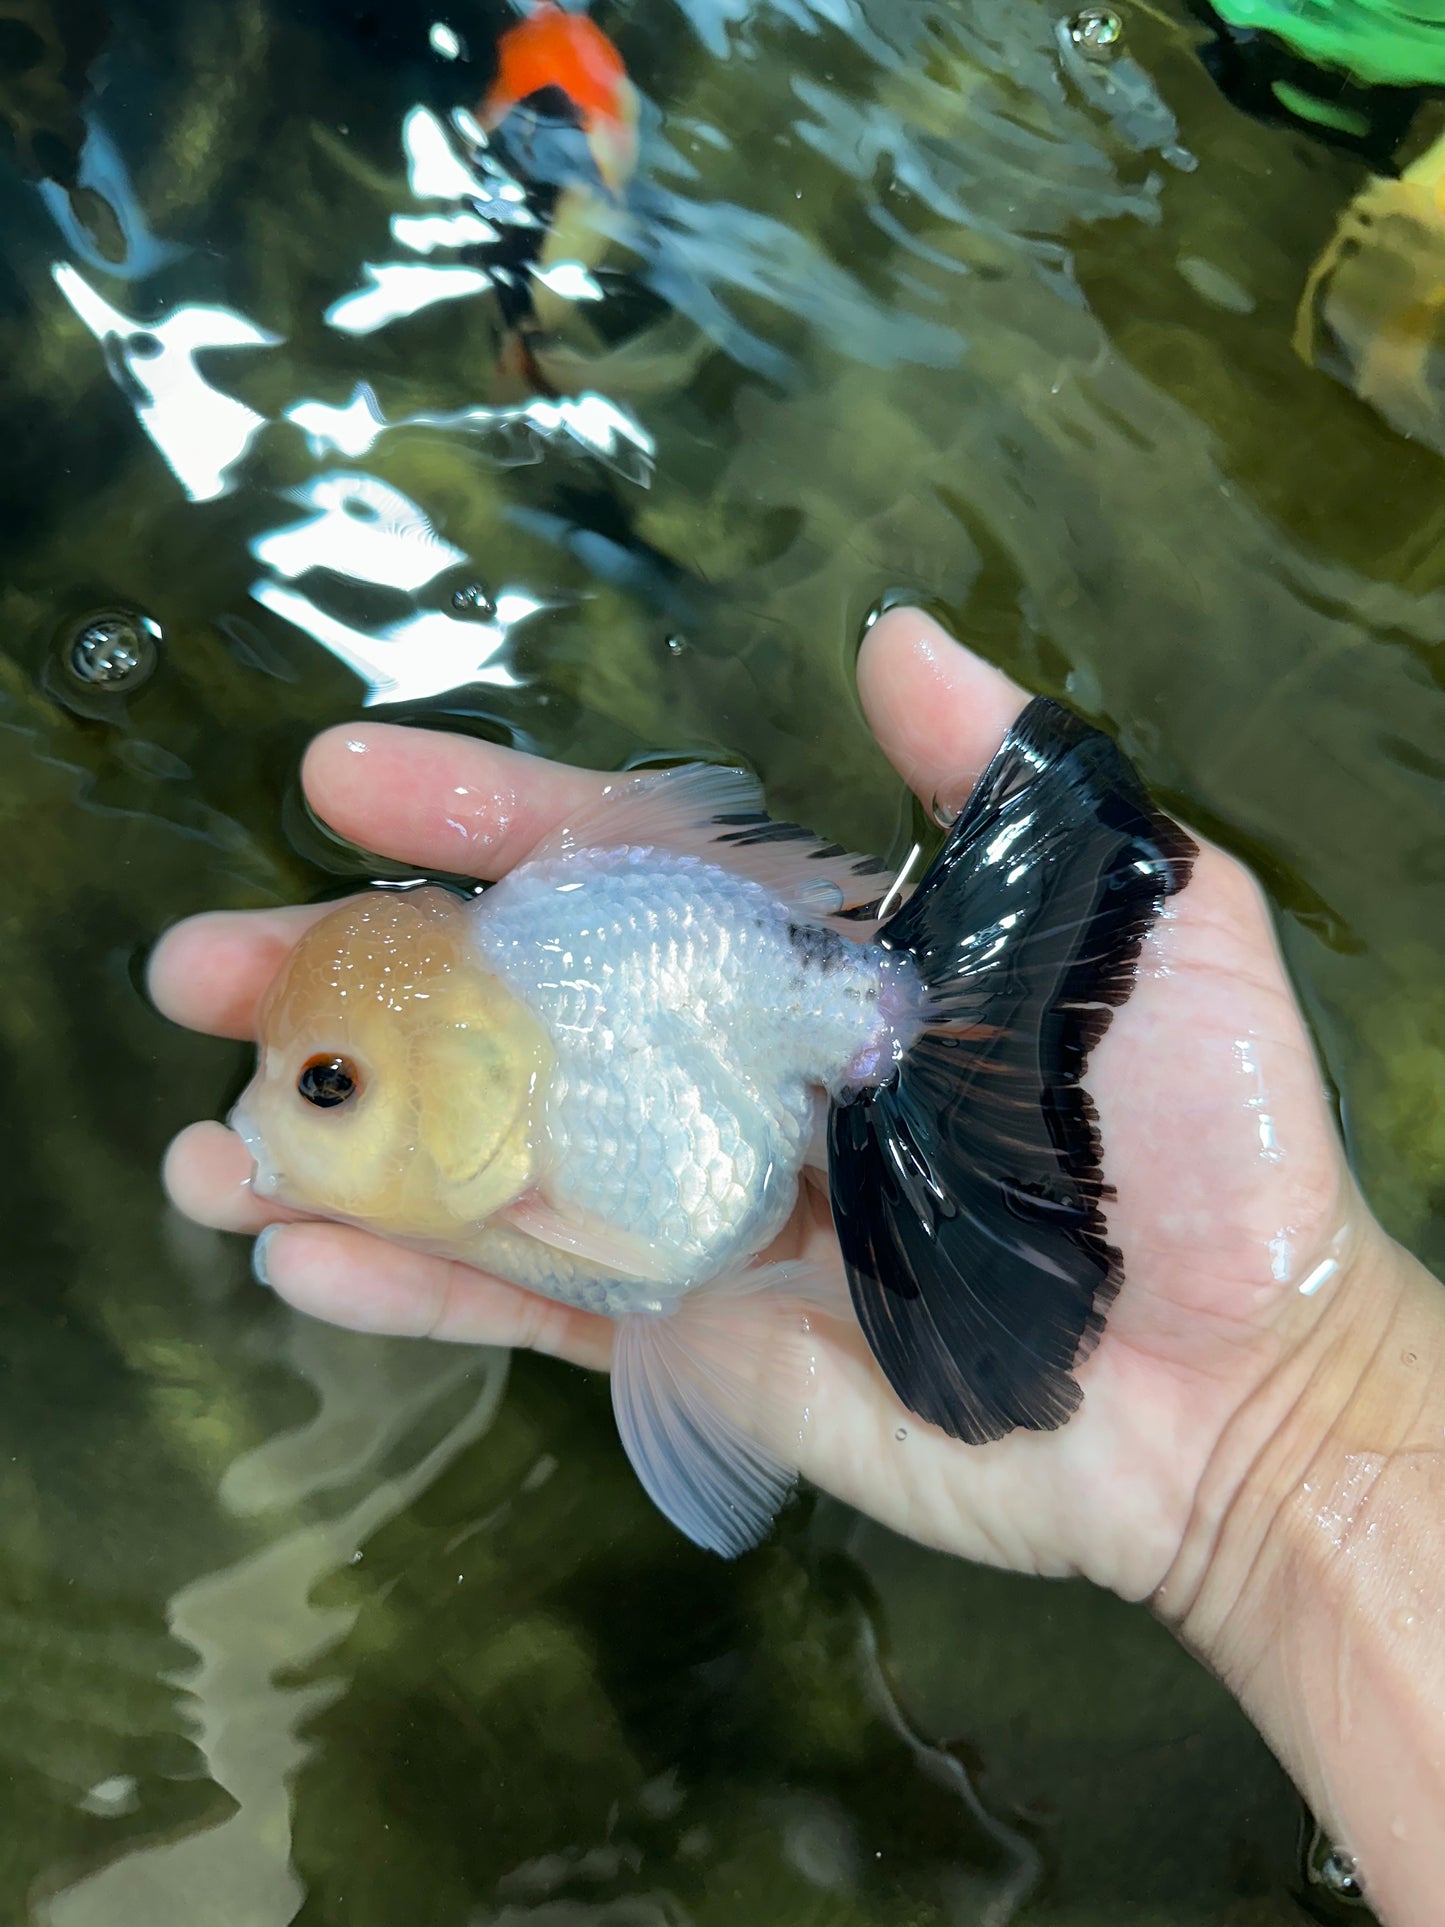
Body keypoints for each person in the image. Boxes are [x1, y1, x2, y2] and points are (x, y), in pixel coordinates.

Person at [149, 606, 1445, 1926]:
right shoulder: (511, 1071)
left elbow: (666, 1283)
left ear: (469, 1072)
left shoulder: (554, 1037)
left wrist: (1283, 1420)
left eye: (326, 1085)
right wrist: (1284, 1439)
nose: (272, 1118)